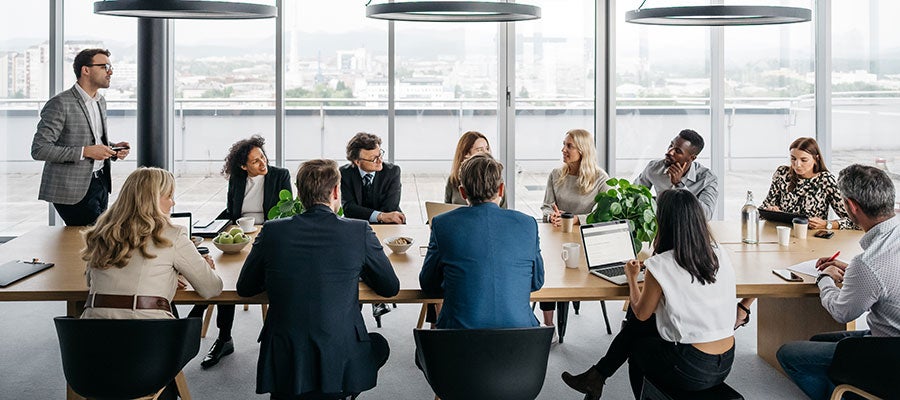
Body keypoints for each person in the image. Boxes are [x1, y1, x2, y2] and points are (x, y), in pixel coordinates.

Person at [237, 159, 400, 400]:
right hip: (340, 350)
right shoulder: (358, 231)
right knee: (378, 345)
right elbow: (389, 287)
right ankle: (343, 389)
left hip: (285, 355)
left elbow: (245, 287)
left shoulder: (272, 231)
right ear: (336, 191)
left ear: (299, 194)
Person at [561, 189, 736, 399]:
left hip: (691, 368)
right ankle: (596, 377)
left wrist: (632, 277)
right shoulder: (719, 254)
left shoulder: (660, 264)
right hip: (725, 362)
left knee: (636, 337)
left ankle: (600, 378)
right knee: (640, 326)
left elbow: (641, 312)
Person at [776, 164, 898, 400]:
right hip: (891, 335)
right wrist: (853, 270)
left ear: (851, 206)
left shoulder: (869, 264)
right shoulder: (879, 252)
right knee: (818, 340)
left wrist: (824, 279)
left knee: (789, 354)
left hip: (890, 352)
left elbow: (843, 312)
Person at [187, 135, 292, 369]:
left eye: (263, 157)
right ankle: (225, 338)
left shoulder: (279, 175)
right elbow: (231, 211)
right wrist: (209, 227)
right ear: (243, 166)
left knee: (237, 275)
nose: (262, 163)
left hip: (269, 235)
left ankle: (201, 316)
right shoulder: (237, 178)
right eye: (255, 161)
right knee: (222, 273)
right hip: (240, 235)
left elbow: (285, 213)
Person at [736, 137, 859, 328]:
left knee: (780, 267)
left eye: (803, 160)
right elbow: (764, 207)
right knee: (764, 265)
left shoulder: (826, 180)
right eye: (793, 159)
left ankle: (743, 308)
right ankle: (744, 309)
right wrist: (771, 210)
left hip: (811, 243)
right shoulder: (782, 174)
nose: (796, 165)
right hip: (780, 236)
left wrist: (827, 224)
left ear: (816, 159)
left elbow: (853, 220)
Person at [420, 153, 544, 329]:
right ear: (501, 189)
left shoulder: (442, 224)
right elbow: (536, 282)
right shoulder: (528, 224)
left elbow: (428, 284)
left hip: (457, 343)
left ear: (463, 193)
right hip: (522, 346)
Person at [80, 167, 223, 320]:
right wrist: (198, 268)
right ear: (152, 199)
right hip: (150, 335)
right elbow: (211, 289)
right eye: (169, 196)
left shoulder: (102, 233)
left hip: (92, 334)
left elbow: (90, 282)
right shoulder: (173, 235)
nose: (173, 202)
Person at [31, 48, 130, 226]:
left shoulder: (100, 101)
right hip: (72, 189)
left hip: (100, 182)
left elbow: (92, 139)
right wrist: (86, 152)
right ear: (86, 70)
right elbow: (40, 149)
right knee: (94, 241)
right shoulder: (60, 103)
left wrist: (112, 149)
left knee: (97, 241)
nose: (110, 71)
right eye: (105, 66)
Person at [540, 128, 612, 332]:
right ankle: (548, 325)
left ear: (583, 150)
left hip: (584, 240)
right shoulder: (556, 174)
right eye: (564, 144)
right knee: (547, 273)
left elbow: (605, 213)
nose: (563, 149)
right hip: (555, 237)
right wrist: (551, 215)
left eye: (569, 146)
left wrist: (574, 219)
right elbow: (546, 206)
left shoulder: (600, 178)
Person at [635, 129, 718, 220]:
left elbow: (706, 215)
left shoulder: (707, 178)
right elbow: (634, 194)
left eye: (678, 151)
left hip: (689, 228)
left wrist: (679, 185)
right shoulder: (654, 168)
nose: (669, 152)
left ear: (692, 158)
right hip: (661, 226)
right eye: (671, 145)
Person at [340, 132, 405, 224]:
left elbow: (390, 208)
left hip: (388, 222)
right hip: (357, 223)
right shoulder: (345, 173)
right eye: (373, 159)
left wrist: (382, 217)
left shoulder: (393, 171)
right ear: (357, 162)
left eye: (380, 154)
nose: (380, 161)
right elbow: (349, 208)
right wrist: (379, 216)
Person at [444, 131, 505, 207]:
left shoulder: (496, 178)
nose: (486, 153)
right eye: (479, 150)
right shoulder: (452, 180)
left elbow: (504, 211)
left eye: (487, 148)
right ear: (466, 154)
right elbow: (446, 208)